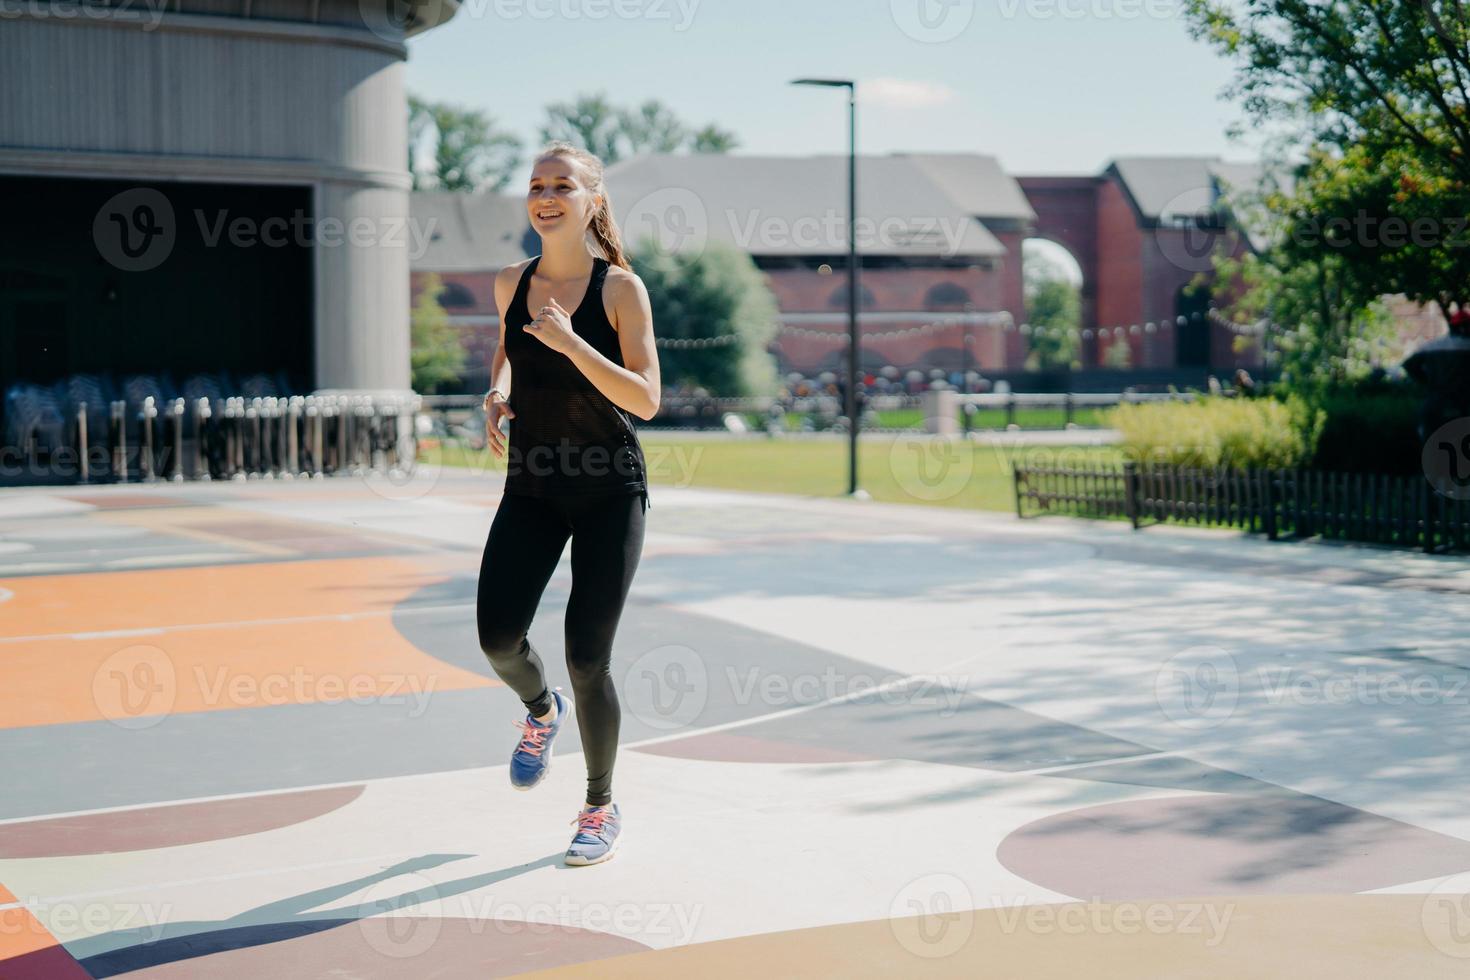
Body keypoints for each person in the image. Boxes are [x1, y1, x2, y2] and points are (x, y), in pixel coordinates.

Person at [477, 140, 659, 866]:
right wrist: (497, 394)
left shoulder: (620, 290)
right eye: (536, 185)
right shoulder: (509, 283)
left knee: (589, 656)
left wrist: (576, 347)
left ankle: (599, 805)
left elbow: (646, 398)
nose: (546, 196)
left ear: (593, 201)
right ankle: (538, 712)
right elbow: (508, 354)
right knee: (497, 639)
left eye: (562, 185)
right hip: (533, 485)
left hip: (610, 489)